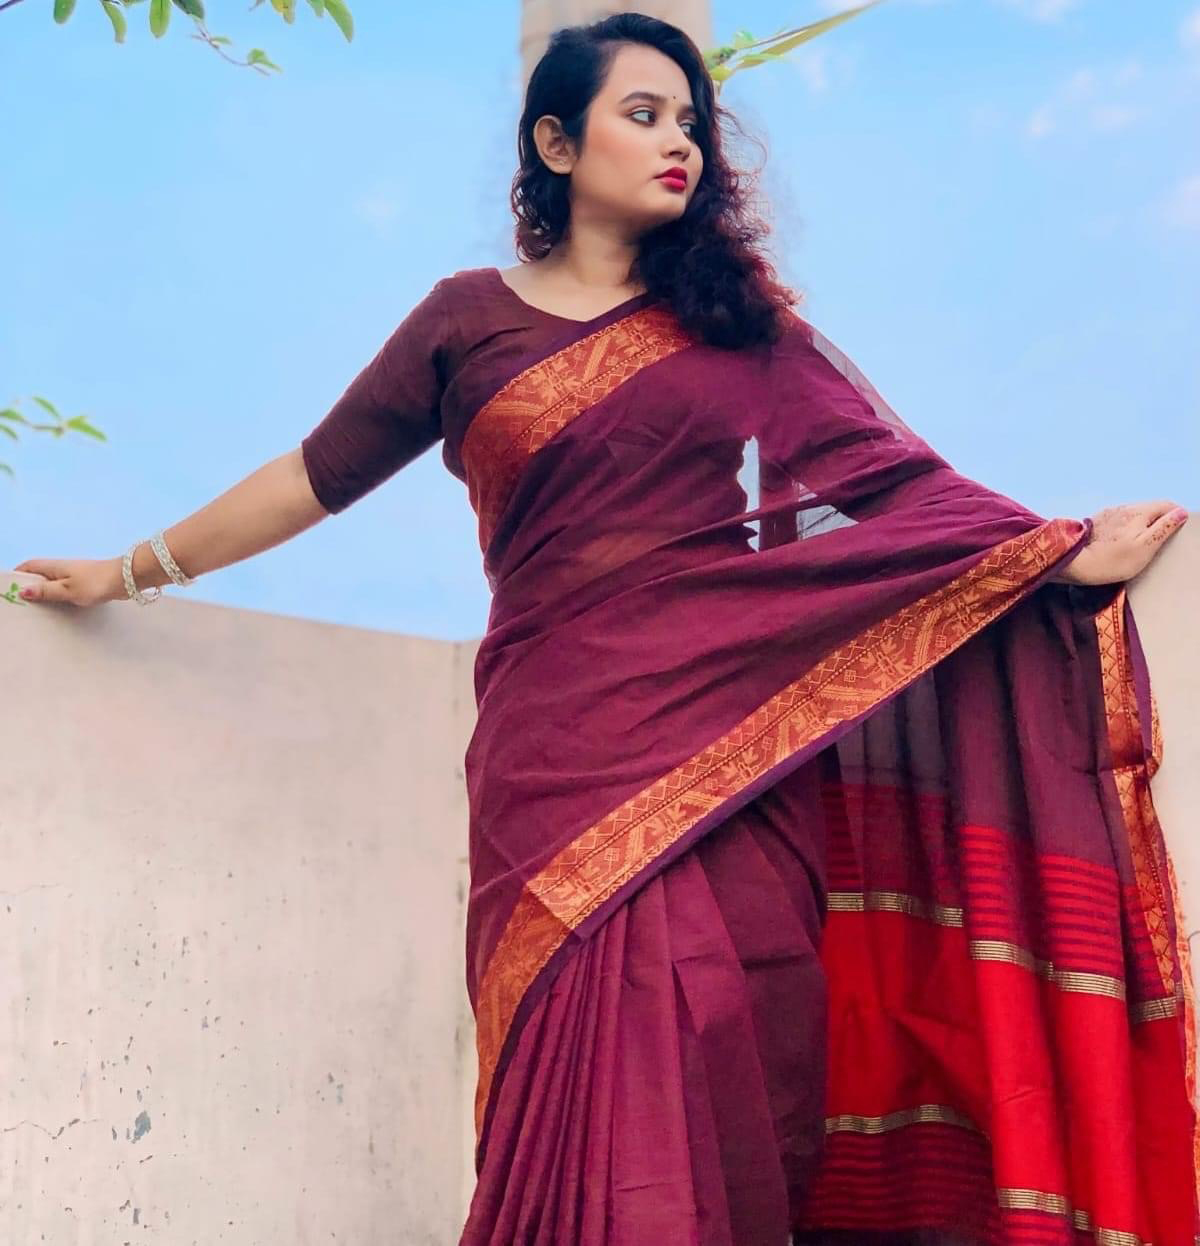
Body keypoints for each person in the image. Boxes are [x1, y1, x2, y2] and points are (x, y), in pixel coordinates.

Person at [14, 12, 1195, 1245]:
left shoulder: (744, 334)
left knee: (729, 1050)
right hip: (553, 758)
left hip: (730, 772)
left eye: (691, 121)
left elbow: (899, 490)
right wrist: (127, 571)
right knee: (580, 1078)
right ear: (556, 144)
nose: (680, 140)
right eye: (644, 115)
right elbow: (316, 474)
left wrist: (1056, 554)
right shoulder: (465, 321)